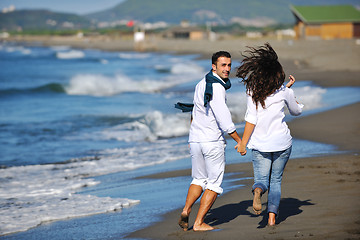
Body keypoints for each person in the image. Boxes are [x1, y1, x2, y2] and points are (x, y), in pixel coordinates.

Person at [236, 43, 303, 226]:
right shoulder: (284, 92)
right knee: (276, 180)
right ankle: (272, 217)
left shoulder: (252, 92)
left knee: (261, 180)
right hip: (282, 143)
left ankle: (258, 191)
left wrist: (243, 143)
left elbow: (251, 119)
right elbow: (296, 111)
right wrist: (289, 92)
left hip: (260, 144)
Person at [177, 51, 242, 232]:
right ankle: (198, 223)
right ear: (213, 66)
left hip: (196, 140)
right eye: (223, 65)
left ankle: (186, 210)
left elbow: (194, 111)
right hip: (212, 142)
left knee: (198, 179)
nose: (227, 69)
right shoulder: (218, 87)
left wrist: (192, 136)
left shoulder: (201, 83)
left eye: (229, 65)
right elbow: (224, 120)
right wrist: (239, 141)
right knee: (214, 183)